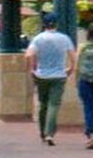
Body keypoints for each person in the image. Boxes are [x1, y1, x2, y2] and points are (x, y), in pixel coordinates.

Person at [25, 15, 75, 146]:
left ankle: (42, 132)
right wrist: (71, 68)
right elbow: (73, 57)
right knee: (54, 104)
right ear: (56, 25)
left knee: (43, 104)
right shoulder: (64, 39)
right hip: (59, 75)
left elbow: (28, 54)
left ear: (44, 24)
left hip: (42, 75)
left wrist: (32, 68)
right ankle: (49, 133)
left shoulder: (38, 38)